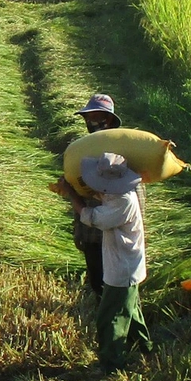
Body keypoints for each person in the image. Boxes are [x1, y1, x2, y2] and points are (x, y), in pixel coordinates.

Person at [75, 151, 150, 369]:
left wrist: (72, 195)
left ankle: (112, 364)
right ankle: (145, 349)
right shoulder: (118, 194)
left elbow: (92, 217)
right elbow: (103, 197)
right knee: (131, 312)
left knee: (110, 318)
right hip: (126, 267)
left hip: (122, 269)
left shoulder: (123, 202)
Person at [67, 94, 121, 295]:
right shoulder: (84, 147)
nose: (90, 123)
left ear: (108, 120)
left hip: (114, 230)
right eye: (87, 118)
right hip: (90, 230)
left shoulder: (122, 148)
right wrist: (78, 230)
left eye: (95, 117)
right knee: (98, 282)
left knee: (114, 287)